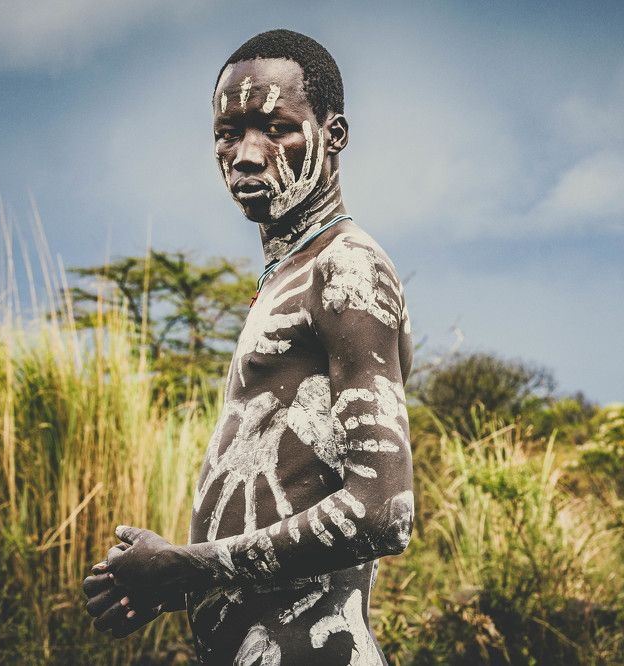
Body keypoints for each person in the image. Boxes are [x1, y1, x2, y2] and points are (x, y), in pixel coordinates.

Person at [82, 28, 414, 664]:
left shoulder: (345, 269)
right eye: (228, 134)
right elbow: (297, 484)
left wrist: (185, 568)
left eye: (277, 127)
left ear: (334, 136)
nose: (248, 154)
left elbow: (383, 511)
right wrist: (172, 586)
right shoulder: (290, 276)